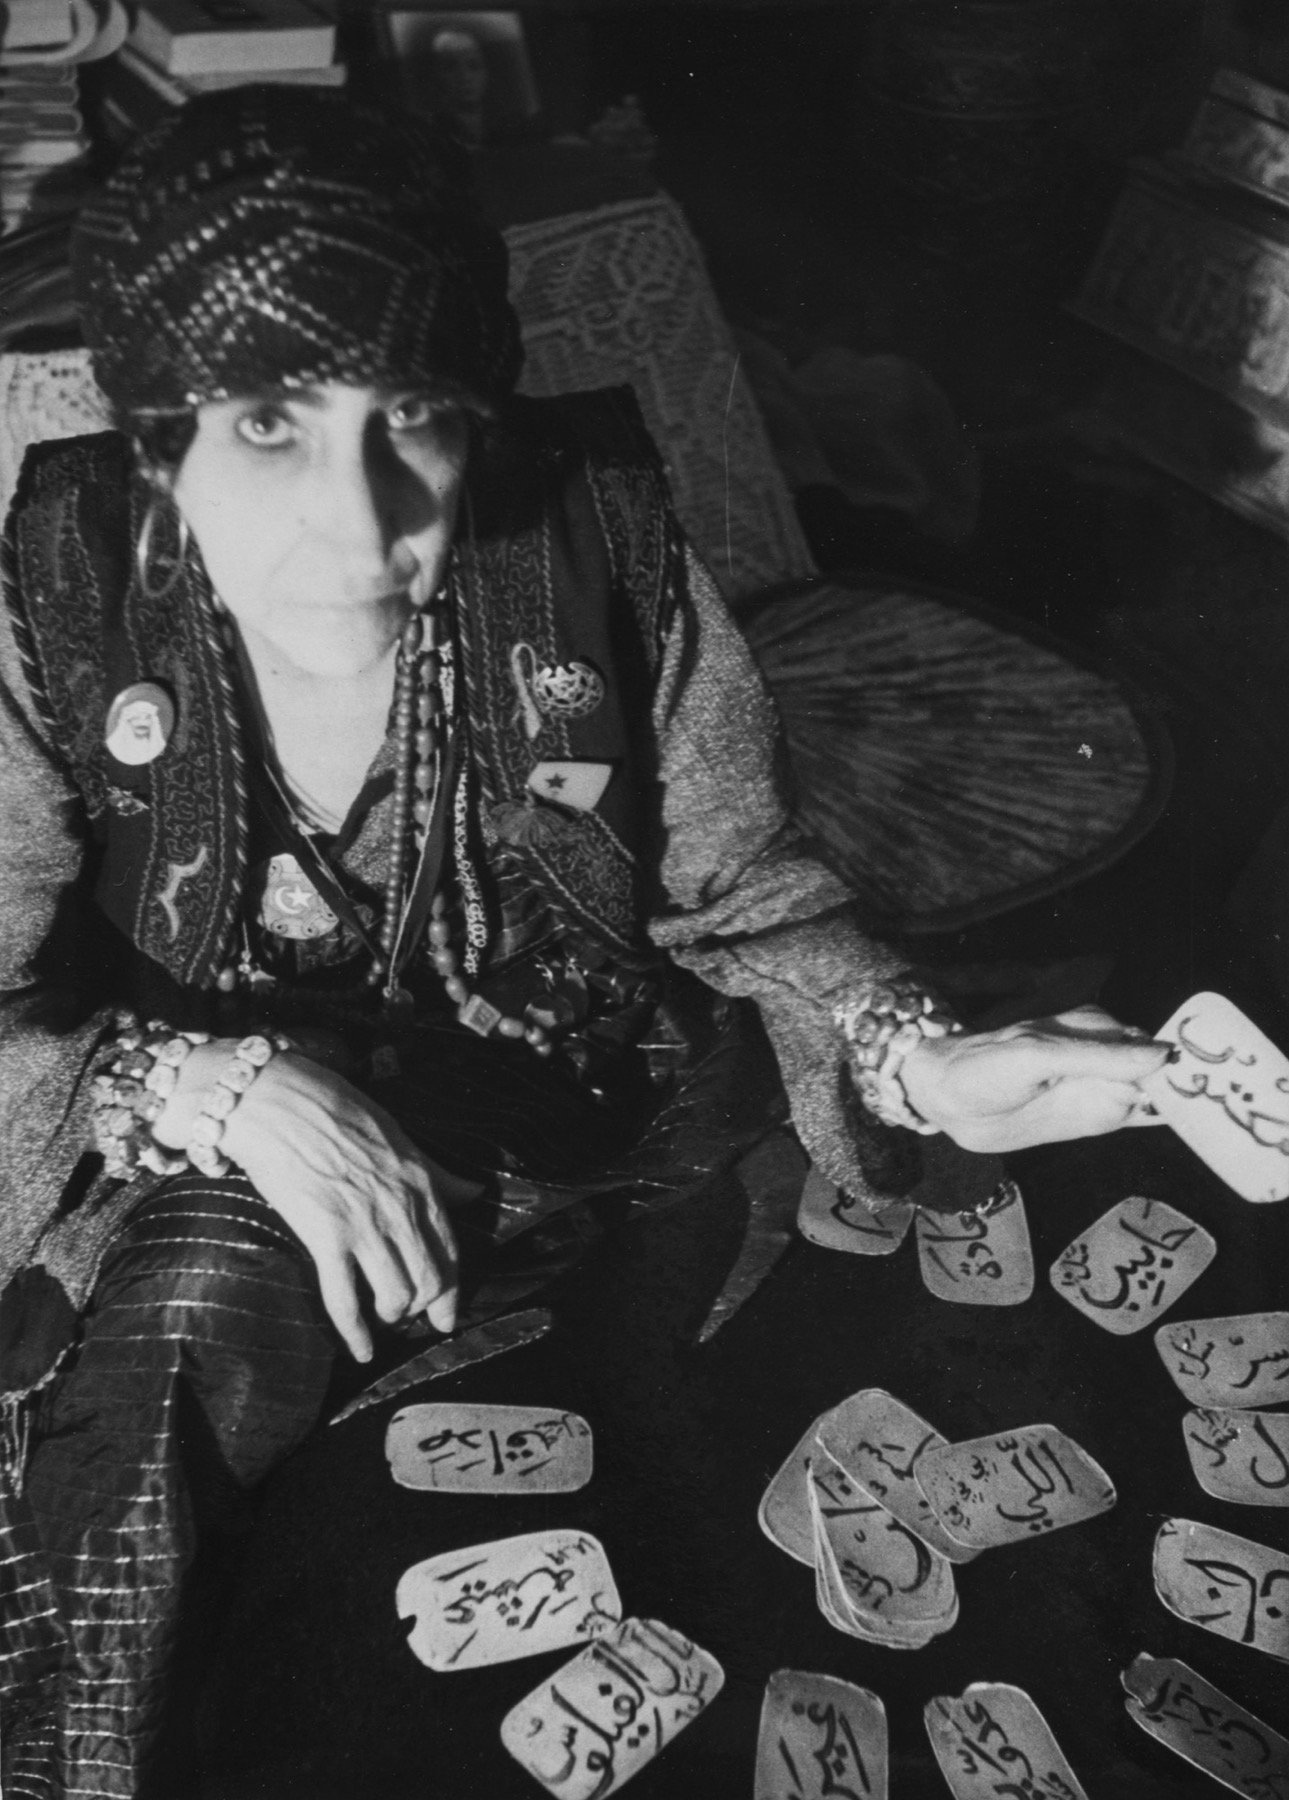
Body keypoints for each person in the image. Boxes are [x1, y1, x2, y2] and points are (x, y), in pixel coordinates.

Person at [0, 86, 1167, 1798]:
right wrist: (219, 1091)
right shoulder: (56, 592)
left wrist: (921, 1056)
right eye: (266, 424)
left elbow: (747, 897)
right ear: (161, 439)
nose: (363, 522)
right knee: (182, 1343)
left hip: (575, 1119)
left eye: (412, 415)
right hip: (207, 1154)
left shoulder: (595, 549)